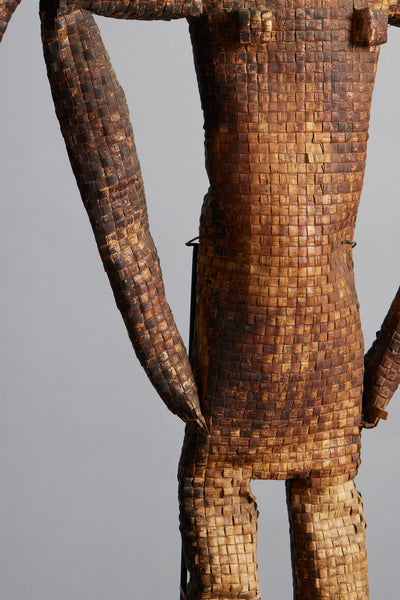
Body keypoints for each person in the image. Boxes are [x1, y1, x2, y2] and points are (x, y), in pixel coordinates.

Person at [1, 1, 400, 598]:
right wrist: (154, 330)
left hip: (320, 396)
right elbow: (67, 11)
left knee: (325, 531)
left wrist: (390, 362)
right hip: (252, 396)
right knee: (241, 533)